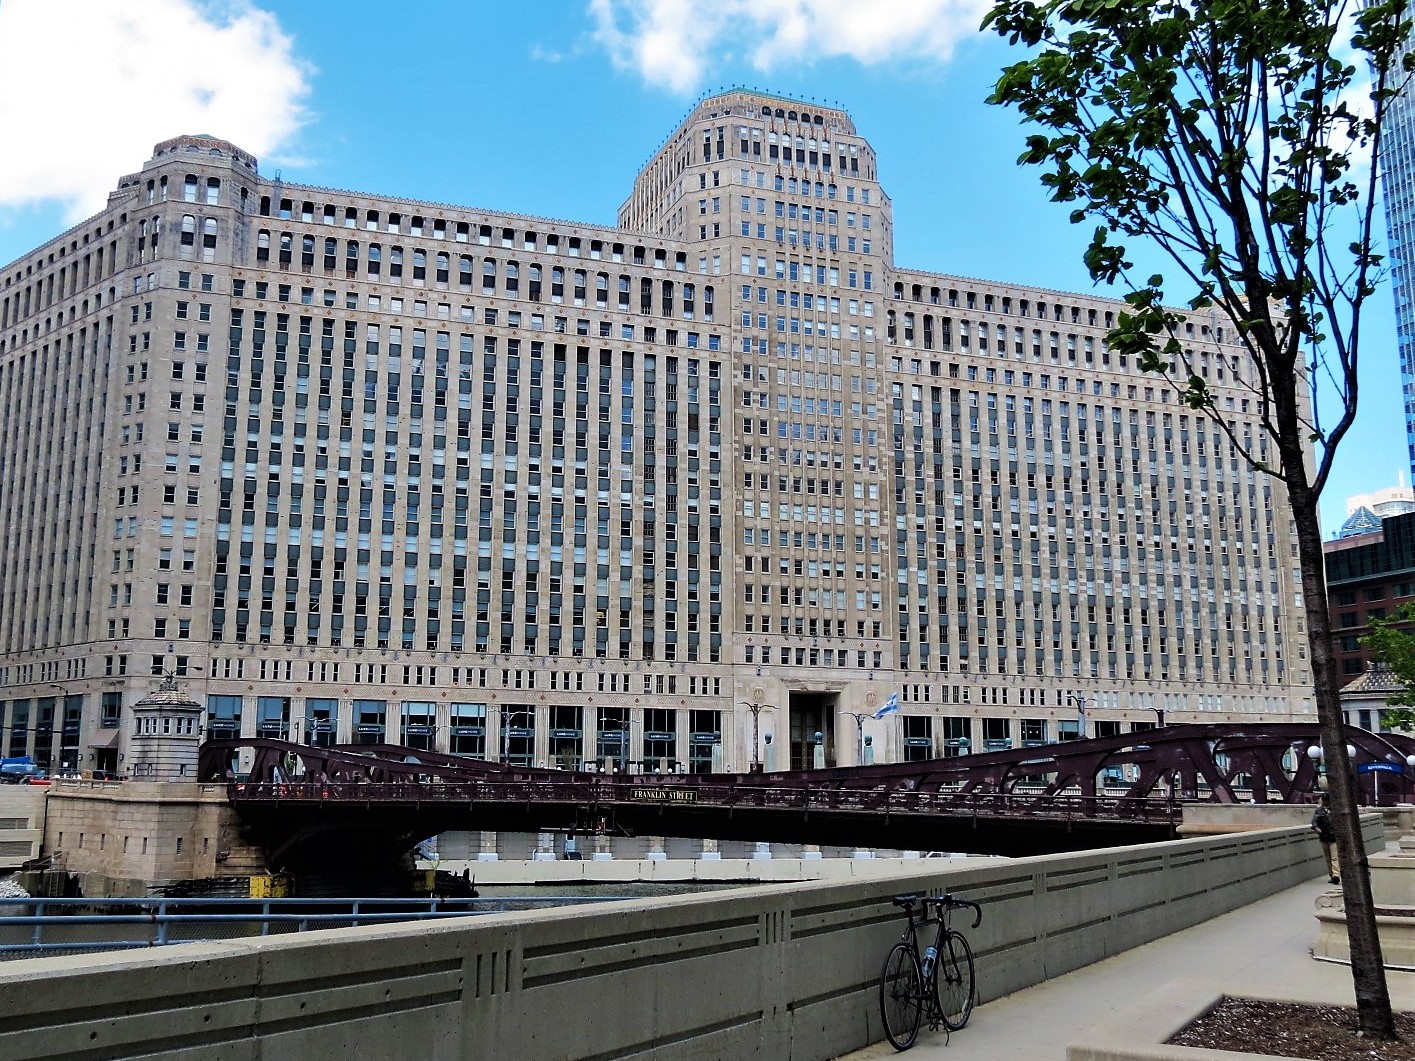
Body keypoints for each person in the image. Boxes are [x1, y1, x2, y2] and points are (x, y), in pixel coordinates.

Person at [1311, 793, 1339, 885]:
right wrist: (1316, 828)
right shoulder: (1319, 811)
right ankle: (1332, 875)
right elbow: (1314, 821)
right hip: (1324, 836)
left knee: (1334, 857)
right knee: (1328, 857)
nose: (1326, 802)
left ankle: (1336, 875)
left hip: (1333, 837)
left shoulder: (1334, 810)